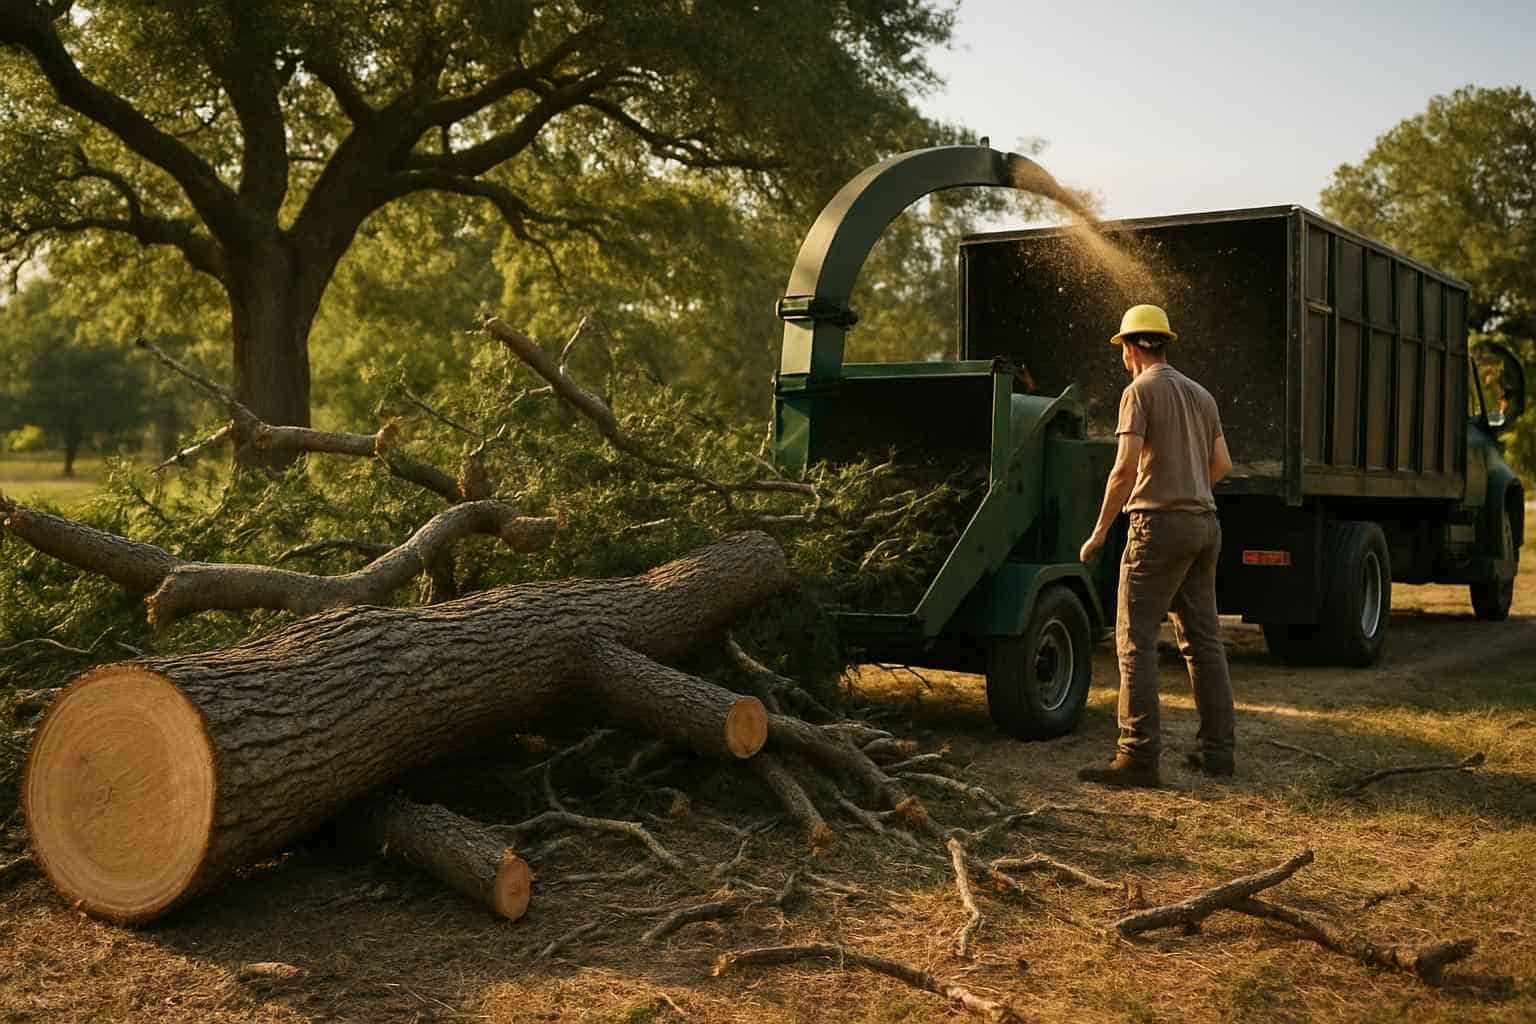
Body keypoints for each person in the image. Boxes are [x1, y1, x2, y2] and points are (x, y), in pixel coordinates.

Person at [1076, 304, 1236, 788]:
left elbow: (1124, 468)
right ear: (1162, 342)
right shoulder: (1202, 395)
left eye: (1121, 349)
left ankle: (1138, 757)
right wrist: (1188, 488)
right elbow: (1223, 464)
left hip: (1157, 526)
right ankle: (1218, 755)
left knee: (1135, 640)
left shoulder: (1137, 391)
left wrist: (1100, 530)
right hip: (1204, 523)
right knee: (1204, 642)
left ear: (1130, 347)